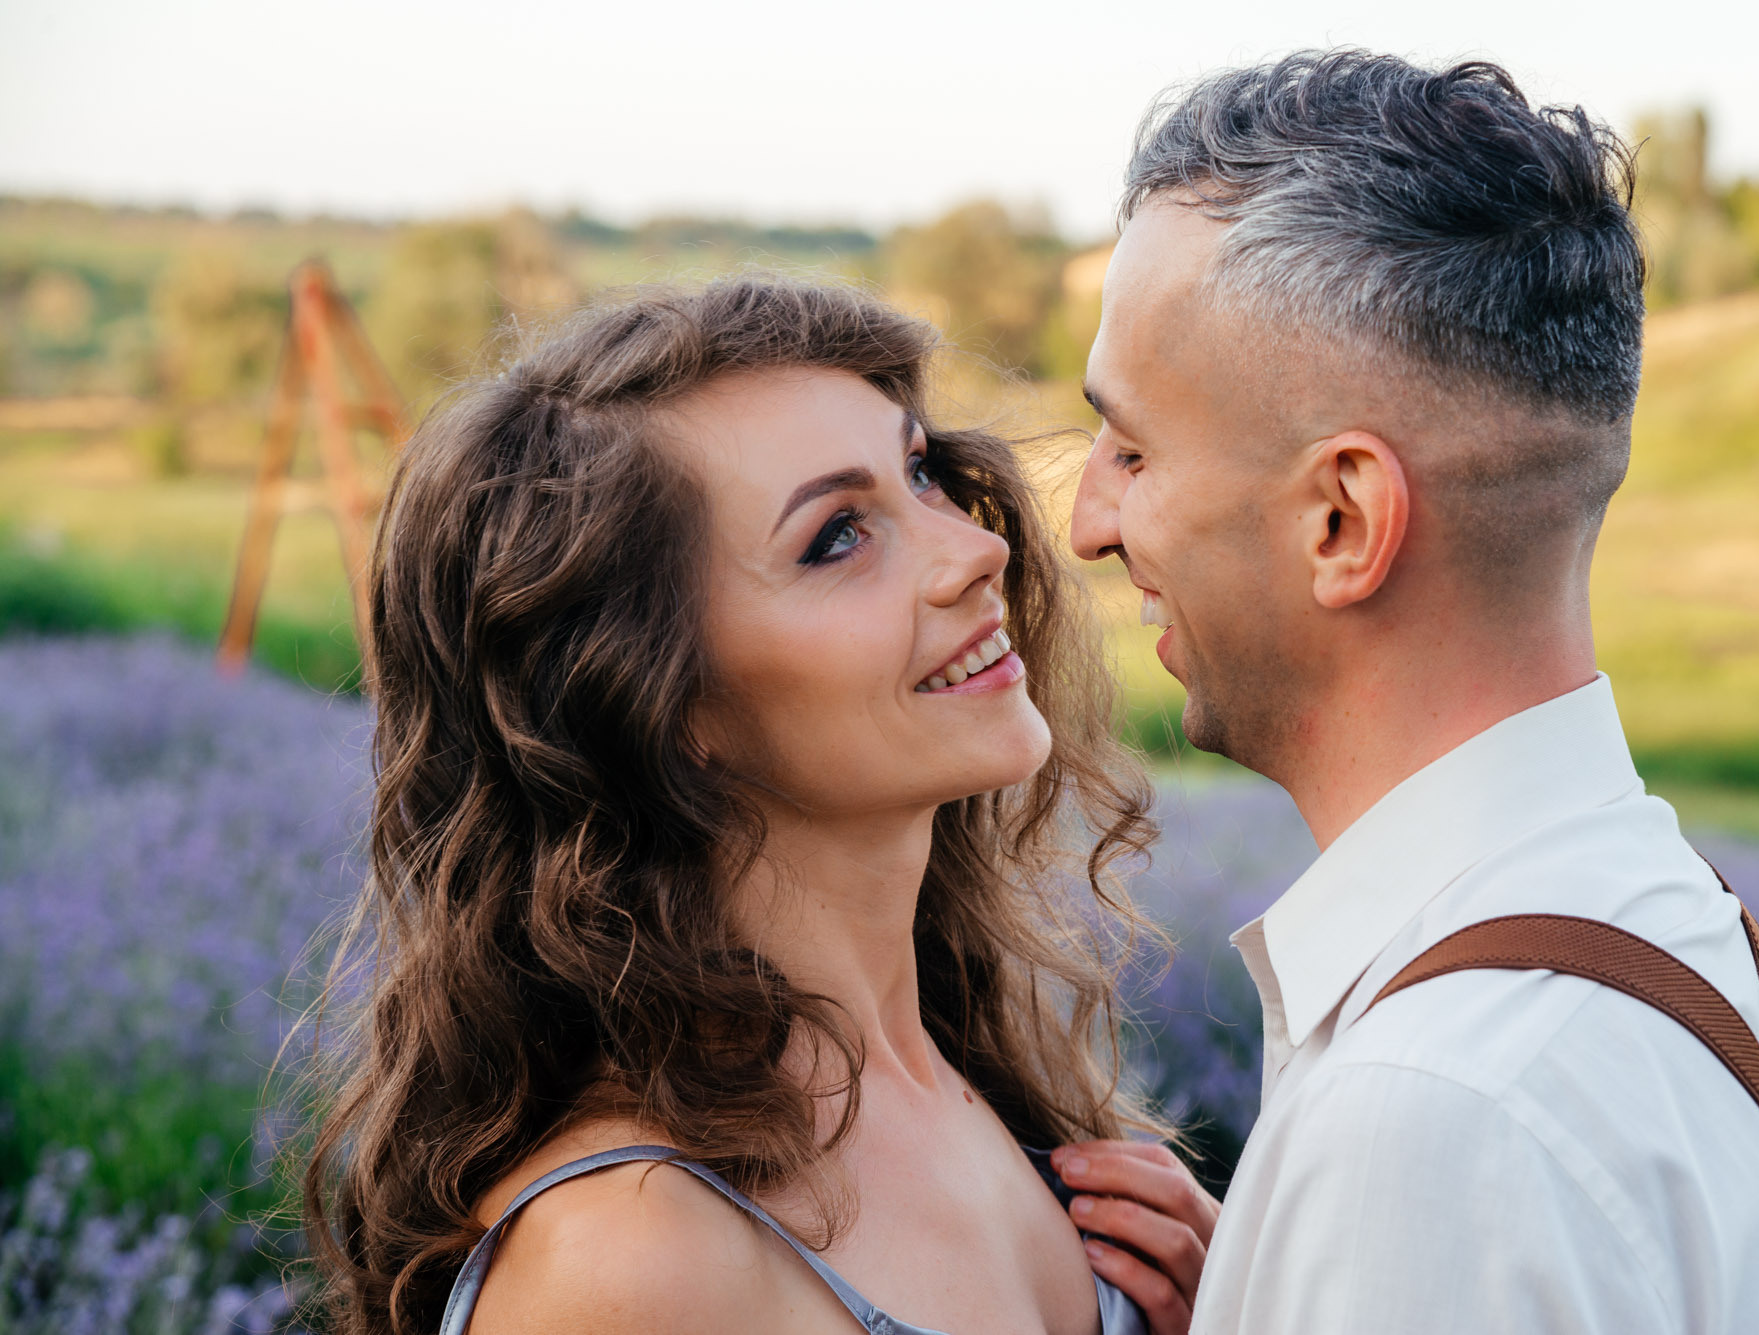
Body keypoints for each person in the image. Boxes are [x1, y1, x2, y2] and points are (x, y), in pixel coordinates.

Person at [1059, 50, 1759, 1332]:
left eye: (1133, 450)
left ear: (1340, 521)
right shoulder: (1679, 931)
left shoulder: (1434, 1120)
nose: (1088, 523)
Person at [301, 277, 1187, 1335]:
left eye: (920, 474)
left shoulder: (978, 1079)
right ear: (656, 699)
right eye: (837, 536)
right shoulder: (632, 1257)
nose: (977, 551)